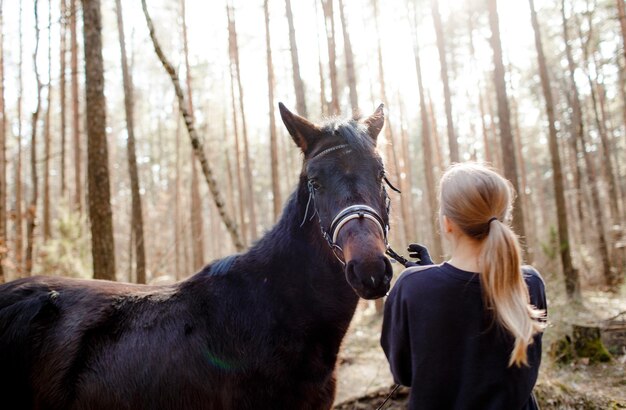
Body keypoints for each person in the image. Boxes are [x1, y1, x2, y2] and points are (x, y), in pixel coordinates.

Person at [381, 162, 547, 410]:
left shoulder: (411, 287)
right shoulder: (530, 282)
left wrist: (424, 280)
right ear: (503, 217)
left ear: (447, 223)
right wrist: (430, 274)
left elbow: (403, 373)